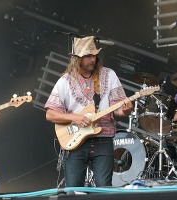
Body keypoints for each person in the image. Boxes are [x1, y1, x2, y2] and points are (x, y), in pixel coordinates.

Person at [44, 36, 133, 187]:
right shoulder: (65, 81)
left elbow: (118, 111)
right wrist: (75, 118)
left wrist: (125, 111)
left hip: (103, 140)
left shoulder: (109, 75)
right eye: (88, 56)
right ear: (77, 59)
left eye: (94, 55)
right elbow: (50, 114)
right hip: (76, 142)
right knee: (73, 190)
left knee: (104, 189)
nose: (92, 59)